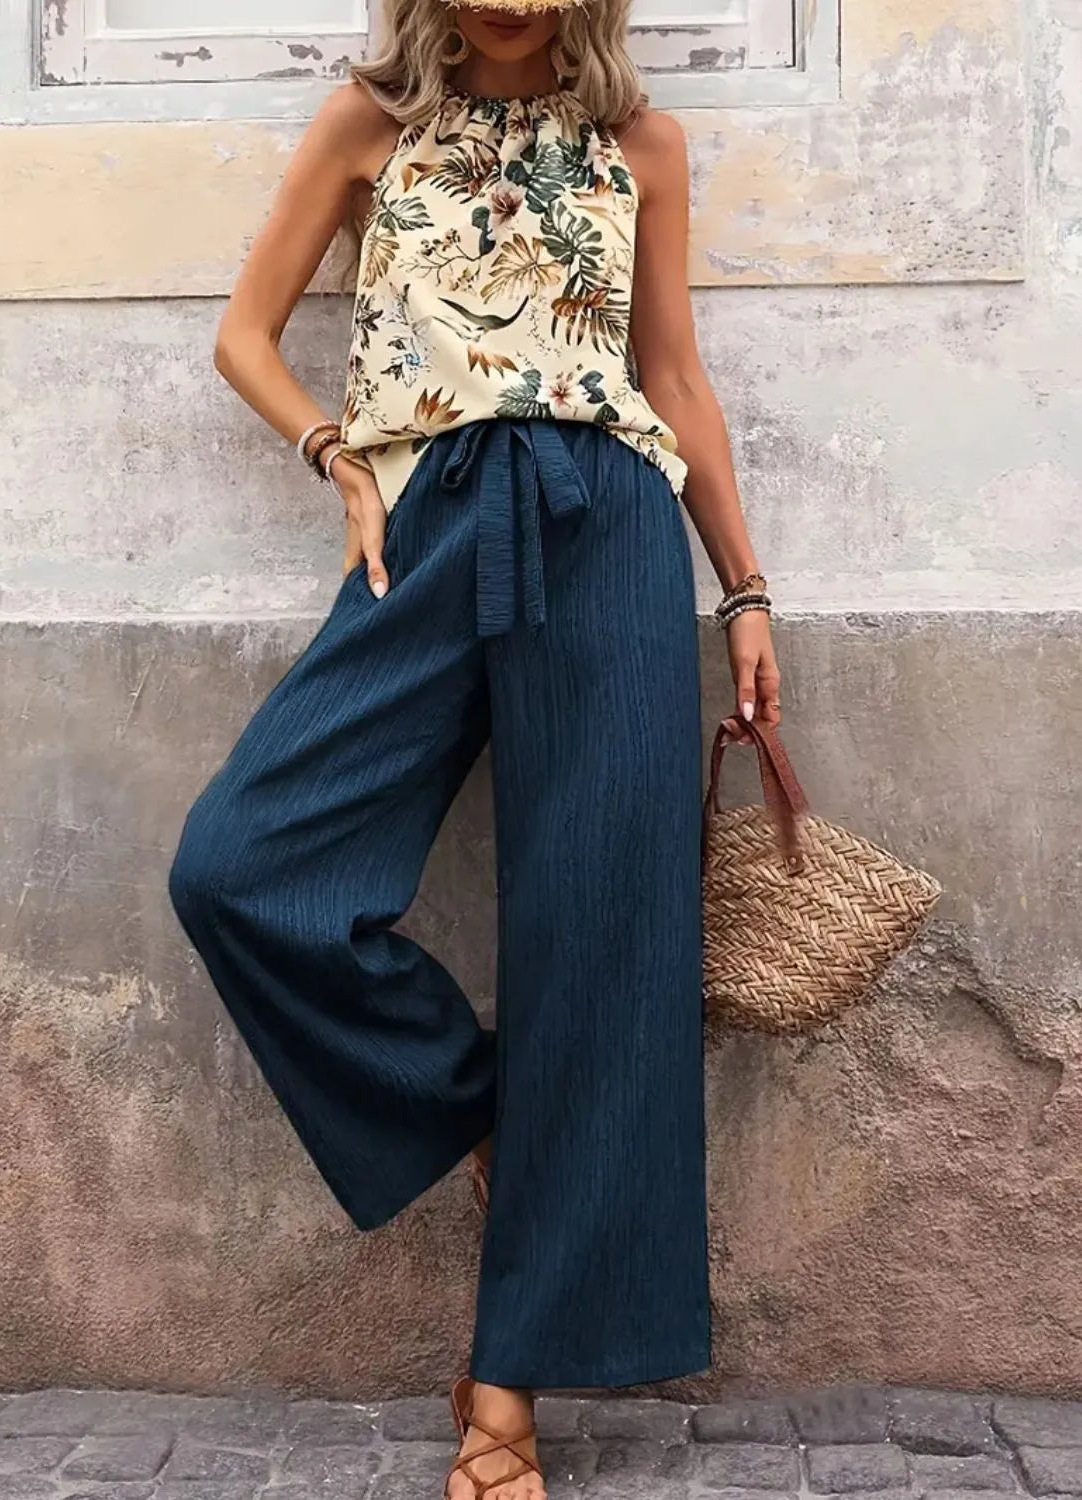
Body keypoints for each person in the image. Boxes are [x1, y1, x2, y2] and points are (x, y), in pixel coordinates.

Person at [167, 0, 781, 1493]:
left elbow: (674, 377)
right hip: (426, 523)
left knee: (599, 938)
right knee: (239, 867)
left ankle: (501, 1406)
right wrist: (338, 460)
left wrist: (747, 592)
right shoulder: (368, 123)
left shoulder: (642, 142)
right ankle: (483, 1109)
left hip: (612, 529)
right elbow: (243, 334)